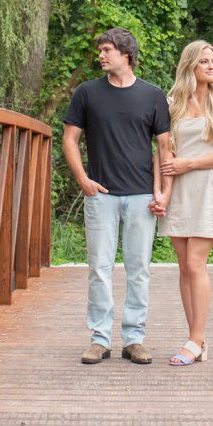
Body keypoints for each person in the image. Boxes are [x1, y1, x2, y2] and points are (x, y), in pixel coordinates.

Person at [61, 27, 173, 365]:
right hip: (101, 194)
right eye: (101, 50)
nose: (102, 55)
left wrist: (163, 193)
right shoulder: (87, 93)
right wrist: (83, 179)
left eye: (108, 49)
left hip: (141, 196)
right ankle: (99, 339)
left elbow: (164, 148)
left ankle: (134, 339)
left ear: (126, 54)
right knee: (99, 268)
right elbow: (69, 139)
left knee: (139, 269)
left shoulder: (153, 95)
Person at [152, 39, 213, 367]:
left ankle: (195, 338)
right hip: (177, 189)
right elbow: (164, 153)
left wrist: (187, 164)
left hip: (206, 186)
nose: (210, 66)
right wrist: (160, 192)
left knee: (195, 264)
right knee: (183, 266)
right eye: (204, 61)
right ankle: (197, 338)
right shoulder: (172, 103)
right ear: (189, 65)